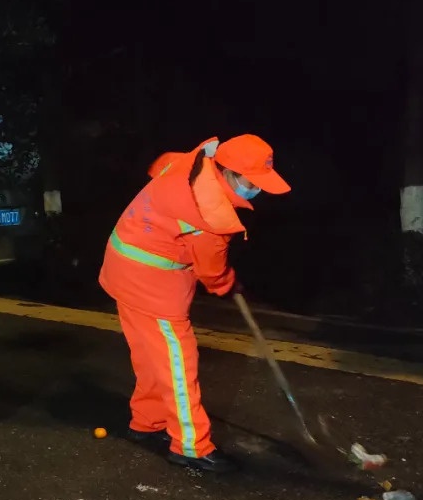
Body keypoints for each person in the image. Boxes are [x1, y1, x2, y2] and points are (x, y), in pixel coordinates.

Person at [98, 134, 290, 473]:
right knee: (176, 361)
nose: (257, 191)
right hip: (151, 283)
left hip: (122, 263)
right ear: (228, 171)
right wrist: (230, 284)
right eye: (252, 182)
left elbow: (160, 164)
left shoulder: (192, 163)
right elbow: (212, 273)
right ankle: (191, 446)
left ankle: (147, 422)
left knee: (149, 354)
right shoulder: (212, 214)